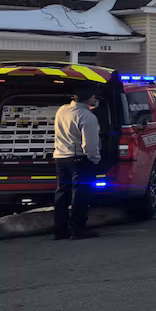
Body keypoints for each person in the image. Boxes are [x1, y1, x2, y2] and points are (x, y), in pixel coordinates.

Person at [53, 87, 102, 240]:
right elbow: (90, 145)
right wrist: (95, 159)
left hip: (60, 157)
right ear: (90, 98)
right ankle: (78, 228)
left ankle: (59, 230)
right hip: (78, 159)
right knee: (80, 194)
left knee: (62, 193)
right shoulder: (87, 117)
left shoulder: (62, 110)